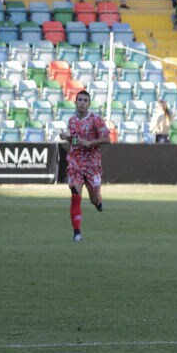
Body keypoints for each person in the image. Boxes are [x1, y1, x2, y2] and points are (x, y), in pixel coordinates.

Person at [59, 90, 109, 243]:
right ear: (76, 102)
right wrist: (67, 138)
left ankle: (98, 201)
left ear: (89, 104)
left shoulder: (96, 120)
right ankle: (77, 232)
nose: (82, 102)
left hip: (92, 164)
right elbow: (75, 141)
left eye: (85, 100)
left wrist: (90, 143)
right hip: (75, 162)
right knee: (75, 195)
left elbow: (107, 138)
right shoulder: (72, 121)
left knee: (93, 197)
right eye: (79, 100)